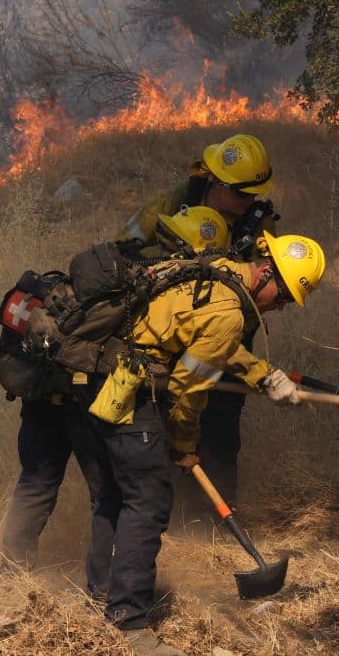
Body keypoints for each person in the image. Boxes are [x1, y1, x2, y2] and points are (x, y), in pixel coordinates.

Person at [77, 232, 325, 654]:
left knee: (116, 493)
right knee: (150, 499)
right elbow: (188, 389)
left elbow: (214, 345)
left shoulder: (224, 272)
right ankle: (129, 621)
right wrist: (184, 444)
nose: (279, 308)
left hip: (100, 375)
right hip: (132, 389)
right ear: (267, 272)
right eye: (282, 297)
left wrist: (264, 375)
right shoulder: (230, 314)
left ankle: (103, 589)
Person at [0, 206, 229, 577]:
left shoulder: (114, 266)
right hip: (83, 400)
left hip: (42, 389)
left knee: (36, 484)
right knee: (109, 494)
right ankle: (104, 588)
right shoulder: (156, 287)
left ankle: (9, 576)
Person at [118, 134, 280, 529]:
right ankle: (171, 521)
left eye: (256, 195)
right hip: (166, 337)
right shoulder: (173, 204)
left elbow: (268, 288)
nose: (251, 203)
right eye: (244, 194)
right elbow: (124, 253)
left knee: (221, 430)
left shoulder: (260, 224)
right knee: (165, 423)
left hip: (225, 337)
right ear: (219, 184)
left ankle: (215, 524)